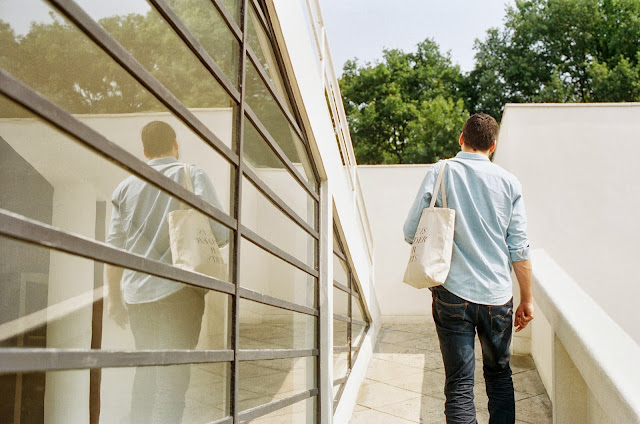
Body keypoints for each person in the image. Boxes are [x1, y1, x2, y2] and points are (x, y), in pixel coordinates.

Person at [403, 113, 534, 424]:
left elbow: (410, 231)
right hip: (498, 298)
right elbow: (519, 248)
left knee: (459, 384)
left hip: (452, 293)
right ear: (493, 145)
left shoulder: (441, 171)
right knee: (499, 376)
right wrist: (527, 299)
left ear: (461, 138)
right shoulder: (509, 182)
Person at [105, 120, 228, 424]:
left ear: (144, 151)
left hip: (137, 296)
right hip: (180, 292)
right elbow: (221, 233)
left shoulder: (124, 188)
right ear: (175, 144)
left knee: (145, 375)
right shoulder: (192, 174)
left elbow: (114, 248)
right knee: (172, 380)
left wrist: (114, 298)